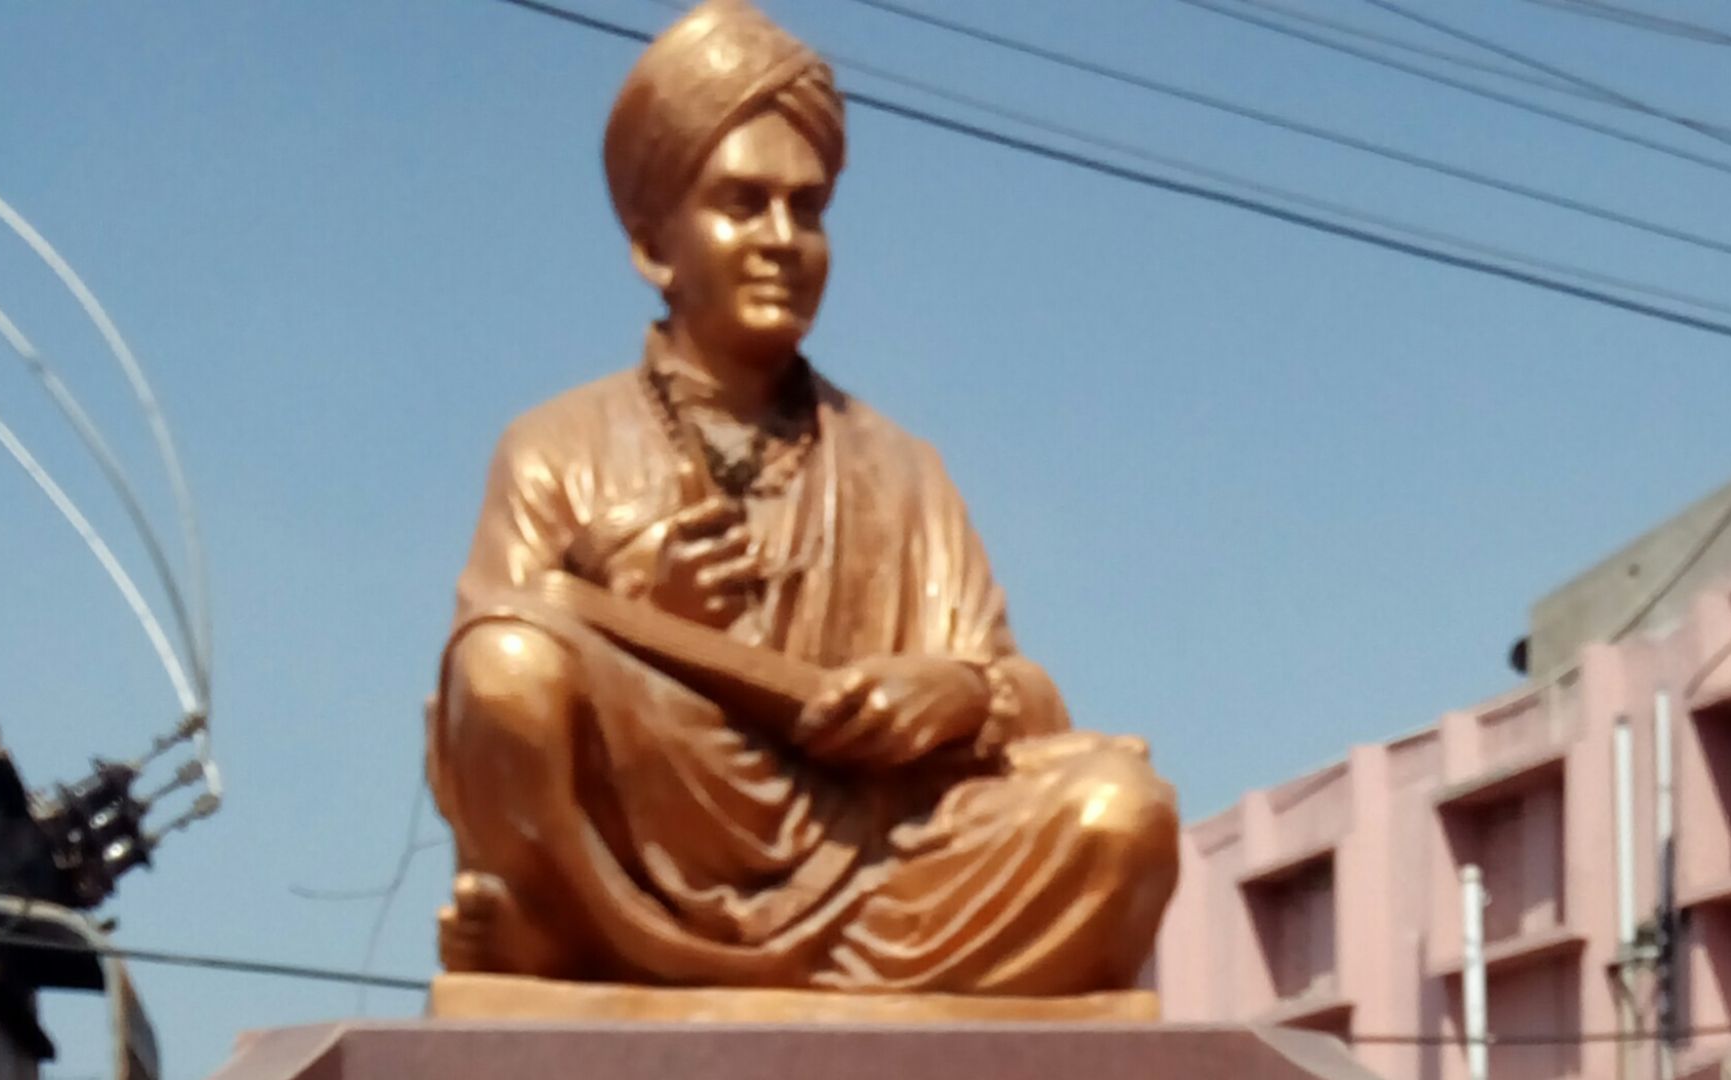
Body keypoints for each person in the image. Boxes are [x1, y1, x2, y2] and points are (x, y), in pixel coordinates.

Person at [426, 0, 1177, 996]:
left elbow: (1029, 707)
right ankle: (565, 919)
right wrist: (620, 618)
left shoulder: (903, 469)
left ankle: (586, 936)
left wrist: (959, 695)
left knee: (1119, 814)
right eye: (744, 204)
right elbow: (487, 703)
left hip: (884, 861)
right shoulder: (557, 447)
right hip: (648, 851)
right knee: (513, 663)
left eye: (807, 209)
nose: (783, 238)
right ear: (656, 243)